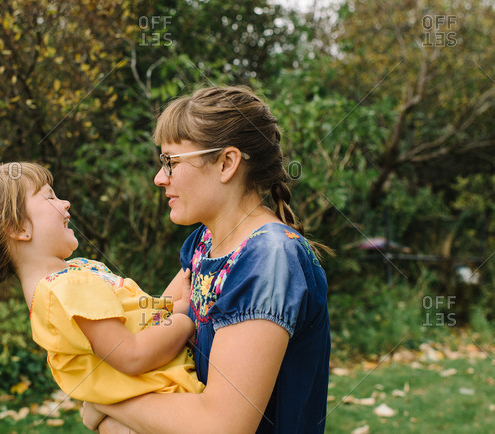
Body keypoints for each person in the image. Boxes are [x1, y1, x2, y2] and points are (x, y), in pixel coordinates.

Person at [83, 86, 332, 433]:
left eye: (171, 162)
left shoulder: (270, 258)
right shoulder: (203, 243)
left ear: (227, 163)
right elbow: (154, 322)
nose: (159, 178)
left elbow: (222, 425)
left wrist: (104, 399)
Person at [0, 162, 204, 404]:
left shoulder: (73, 274)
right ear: (19, 227)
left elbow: (139, 314)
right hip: (174, 398)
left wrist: (177, 303)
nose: (66, 203)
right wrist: (183, 322)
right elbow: (132, 355)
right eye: (50, 197)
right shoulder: (65, 291)